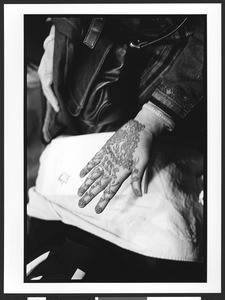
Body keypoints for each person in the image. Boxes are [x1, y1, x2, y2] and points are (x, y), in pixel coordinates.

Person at [26, 15, 205, 282]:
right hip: (87, 54)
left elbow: (214, 30)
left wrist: (155, 116)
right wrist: (58, 35)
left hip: (176, 63)